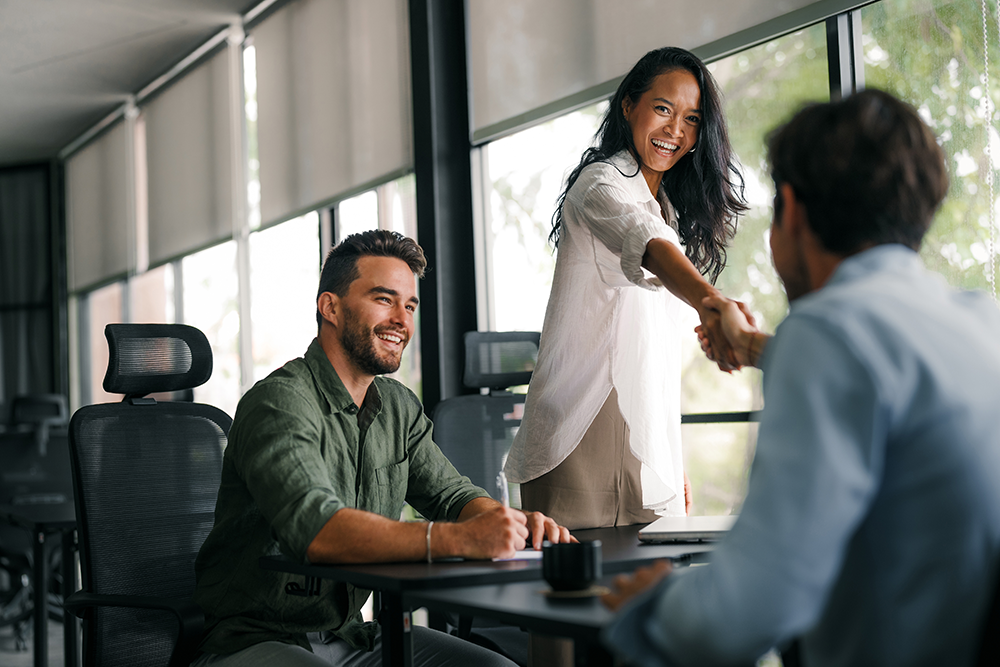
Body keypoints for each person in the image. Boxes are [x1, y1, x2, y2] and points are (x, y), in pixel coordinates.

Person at [601, 89, 1000, 667]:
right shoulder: (982, 322)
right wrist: (753, 345)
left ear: (790, 209)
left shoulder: (828, 332)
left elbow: (747, 610)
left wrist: (654, 609)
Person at [192, 230, 572, 667]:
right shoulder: (279, 403)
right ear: (330, 307)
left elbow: (451, 496)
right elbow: (318, 531)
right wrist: (462, 538)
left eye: (409, 306)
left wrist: (510, 524)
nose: (401, 321)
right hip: (254, 641)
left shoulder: (398, 406)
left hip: (352, 636)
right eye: (384, 299)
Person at [504, 46, 748, 529]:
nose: (675, 130)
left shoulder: (668, 211)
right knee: (578, 577)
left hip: (644, 434)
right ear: (629, 105)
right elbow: (646, 242)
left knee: (653, 575)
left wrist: (669, 456)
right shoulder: (599, 185)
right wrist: (711, 302)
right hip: (581, 429)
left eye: (692, 119)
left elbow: (654, 355)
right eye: (663, 109)